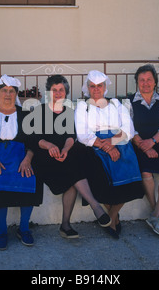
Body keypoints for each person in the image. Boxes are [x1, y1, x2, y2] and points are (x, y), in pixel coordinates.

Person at [30, 74, 111, 238]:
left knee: (73, 160)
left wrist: (65, 149)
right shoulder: (40, 110)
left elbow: (70, 136)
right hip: (44, 156)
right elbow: (33, 139)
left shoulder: (68, 111)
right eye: (54, 90)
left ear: (65, 93)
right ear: (49, 93)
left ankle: (66, 225)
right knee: (73, 169)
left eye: (61, 90)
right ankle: (94, 207)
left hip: (63, 155)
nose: (58, 93)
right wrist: (50, 146)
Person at [75, 70, 144, 239]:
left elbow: (128, 128)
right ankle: (114, 218)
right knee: (98, 177)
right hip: (94, 145)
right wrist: (106, 147)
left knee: (127, 176)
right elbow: (82, 134)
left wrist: (113, 143)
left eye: (99, 86)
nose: (96, 89)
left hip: (118, 142)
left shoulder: (116, 104)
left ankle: (111, 217)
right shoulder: (83, 106)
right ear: (88, 88)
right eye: (93, 86)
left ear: (105, 87)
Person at [0, 74, 42, 250]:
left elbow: (33, 140)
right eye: (4, 91)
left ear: (16, 94)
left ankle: (23, 228)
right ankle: (2, 230)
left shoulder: (25, 115)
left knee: (28, 177)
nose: (7, 94)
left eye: (11, 91)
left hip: (21, 157)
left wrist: (28, 158)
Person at [128, 64, 159, 237]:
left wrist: (153, 141)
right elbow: (129, 127)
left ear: (155, 82)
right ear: (137, 83)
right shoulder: (130, 101)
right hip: (139, 143)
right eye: (142, 80)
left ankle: (155, 215)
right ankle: (158, 214)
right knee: (146, 172)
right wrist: (144, 145)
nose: (145, 83)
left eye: (149, 79)